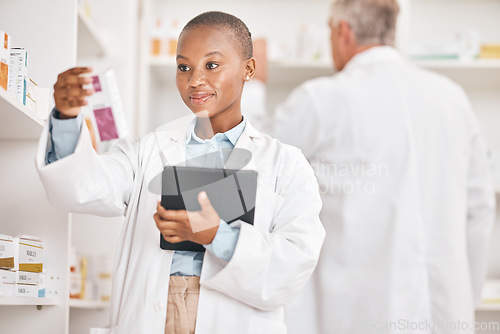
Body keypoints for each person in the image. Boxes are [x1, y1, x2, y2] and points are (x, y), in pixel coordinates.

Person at [35, 11, 325, 334]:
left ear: (249, 69)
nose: (194, 80)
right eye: (184, 67)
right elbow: (83, 187)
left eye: (211, 65)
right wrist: (64, 118)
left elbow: (294, 263)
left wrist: (216, 235)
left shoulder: (286, 164)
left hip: (230, 316)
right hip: (153, 315)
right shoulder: (148, 150)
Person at [247, 0, 496, 333]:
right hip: (446, 313)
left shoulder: (322, 99)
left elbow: (251, 163)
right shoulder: (452, 98)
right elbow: (480, 209)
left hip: (357, 313)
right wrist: (465, 296)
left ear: (344, 32)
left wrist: (252, 86)